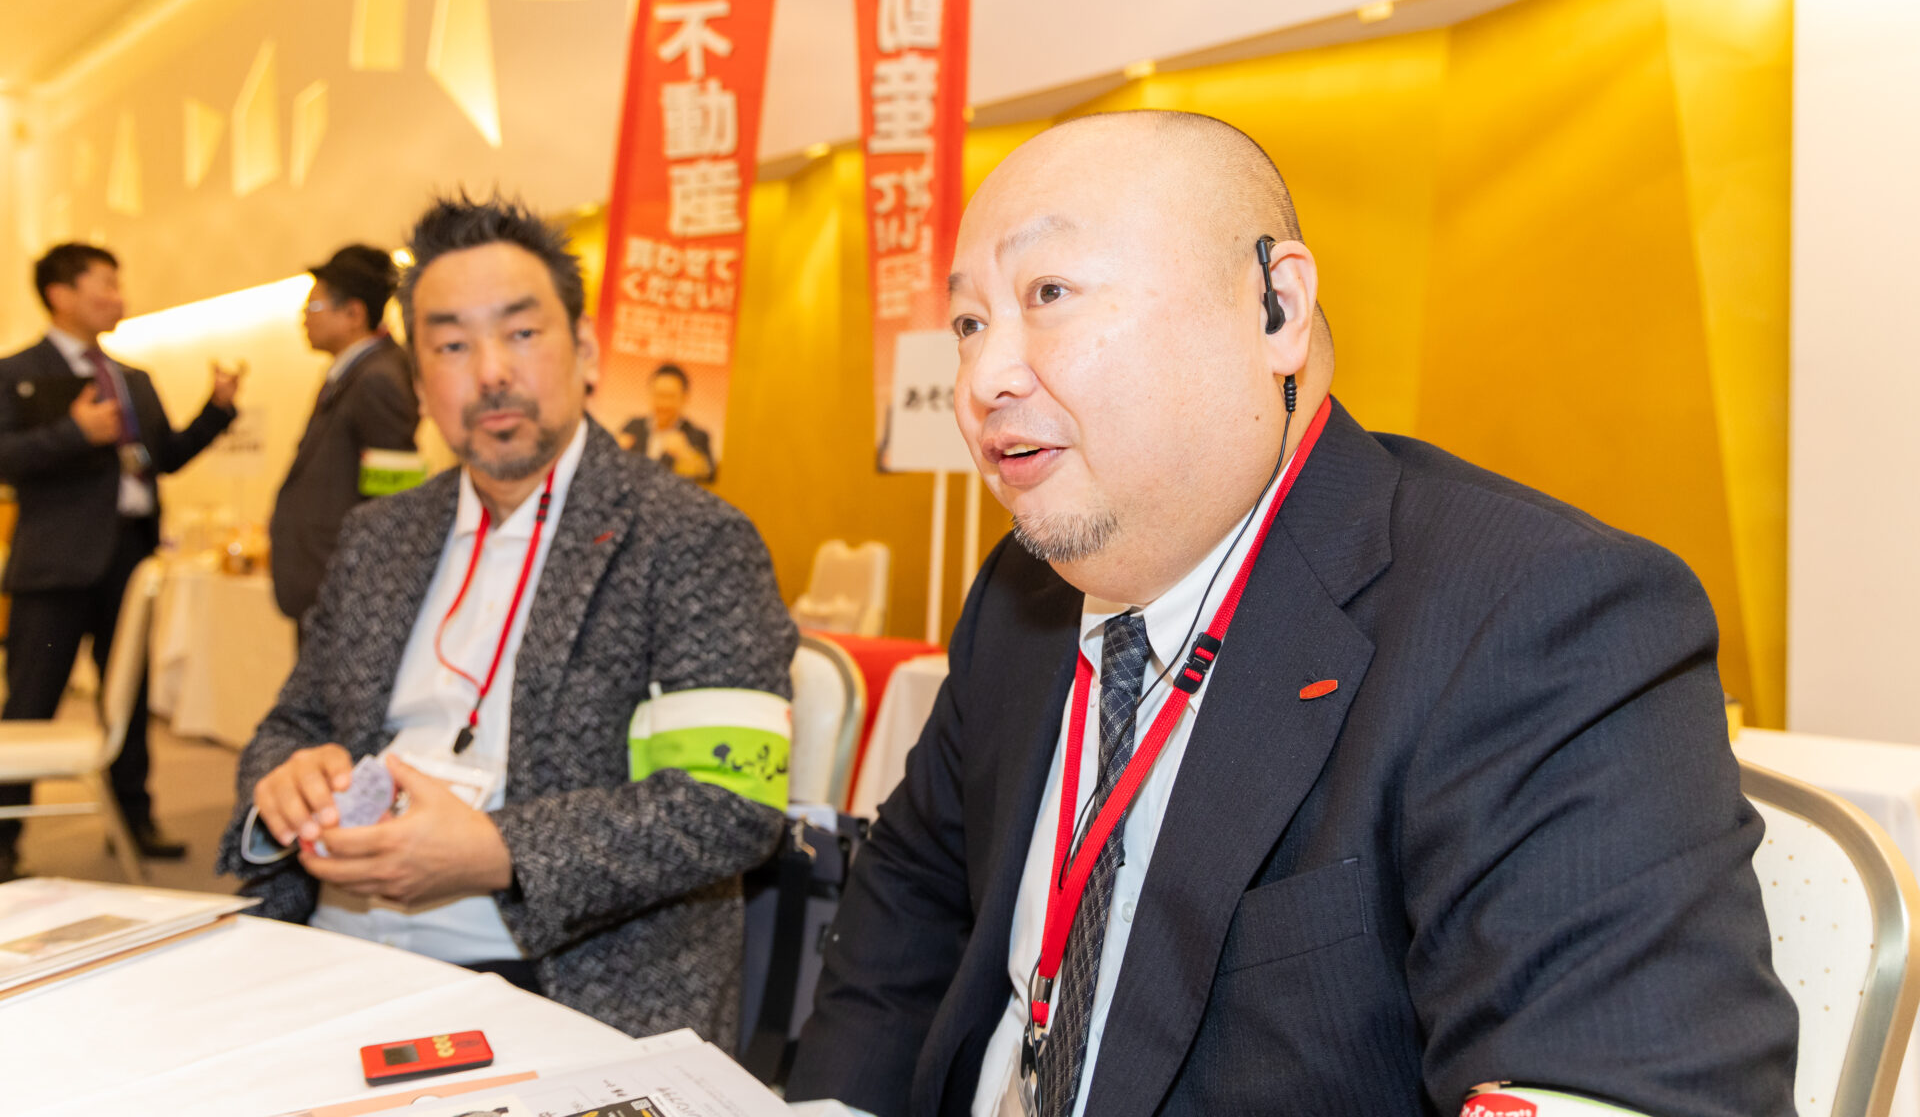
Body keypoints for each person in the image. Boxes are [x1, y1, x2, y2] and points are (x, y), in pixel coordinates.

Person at [784, 112, 1797, 1116]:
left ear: (1276, 307)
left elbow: (1612, 1081)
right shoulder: (1022, 596)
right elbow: (908, 904)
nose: (982, 381)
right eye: (968, 324)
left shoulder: (1538, 621)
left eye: (1049, 294)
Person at [216, 194, 797, 1041]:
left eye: (521, 333)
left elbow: (726, 803)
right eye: (451, 345)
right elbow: (293, 724)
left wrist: (499, 851)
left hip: (553, 974)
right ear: (421, 384)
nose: (490, 371)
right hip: (330, 942)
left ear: (586, 351)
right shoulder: (380, 536)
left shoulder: (688, 538)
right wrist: (285, 778)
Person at [0, 242, 239, 879]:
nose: (118, 297)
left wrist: (216, 411)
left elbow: (164, 457)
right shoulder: (16, 372)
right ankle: (3, 838)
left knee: (128, 698)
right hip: (54, 565)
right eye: (103, 284)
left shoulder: (133, 378)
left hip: (129, 554)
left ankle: (134, 818)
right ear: (61, 294)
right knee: (31, 700)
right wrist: (73, 433)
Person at [269, 244, 420, 634]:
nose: (304, 316)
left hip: (344, 594)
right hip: (325, 586)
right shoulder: (354, 374)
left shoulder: (377, 379)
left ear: (354, 314)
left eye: (314, 306)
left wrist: (368, 593)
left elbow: (394, 498)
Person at [619, 363, 715, 481]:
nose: (663, 403)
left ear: (685, 397)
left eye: (670, 396)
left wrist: (685, 453)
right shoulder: (633, 427)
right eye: (658, 395)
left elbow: (710, 476)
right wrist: (616, 450)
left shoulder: (697, 436)